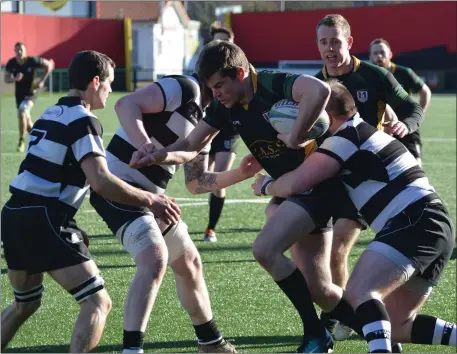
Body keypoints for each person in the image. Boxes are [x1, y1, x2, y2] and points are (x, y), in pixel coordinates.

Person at [130, 40, 361, 353]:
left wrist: (295, 136)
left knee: (265, 249)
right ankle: (380, 328)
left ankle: (317, 334)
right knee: (319, 288)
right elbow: (192, 144)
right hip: (295, 191)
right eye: (212, 89)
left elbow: (318, 91)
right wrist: (158, 154)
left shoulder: (271, 83)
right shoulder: (224, 107)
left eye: (220, 86)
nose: (217, 94)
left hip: (319, 185)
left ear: (240, 73)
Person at [252, 79, 456, 353]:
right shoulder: (357, 133)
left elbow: (295, 184)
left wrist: (266, 185)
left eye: (304, 111)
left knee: (360, 292)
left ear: (323, 115)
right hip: (431, 224)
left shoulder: (346, 138)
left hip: (415, 219)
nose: (301, 119)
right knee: (396, 325)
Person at [0, 50, 180, 353]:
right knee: (98, 302)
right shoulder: (84, 120)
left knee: (24, 304)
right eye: (109, 83)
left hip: (14, 214)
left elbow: (50, 174)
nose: (110, 90)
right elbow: (101, 181)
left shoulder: (49, 113)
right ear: (96, 82)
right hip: (44, 219)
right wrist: (151, 199)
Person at [91, 73, 241, 353]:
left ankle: (210, 343)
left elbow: (196, 181)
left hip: (150, 198)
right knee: (155, 260)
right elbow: (126, 105)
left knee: (189, 262)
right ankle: (132, 349)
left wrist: (240, 173)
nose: (238, 94)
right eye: (233, 83)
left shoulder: (209, 118)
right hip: (118, 189)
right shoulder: (185, 87)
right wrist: (145, 144)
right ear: (215, 79)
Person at [313, 14, 424, 341]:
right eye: (323, 42)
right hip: (328, 177)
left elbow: (412, 108)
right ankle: (346, 313)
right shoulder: (313, 84)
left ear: (348, 42)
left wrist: (407, 126)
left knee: (337, 252)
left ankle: (334, 321)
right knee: (319, 258)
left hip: (367, 179)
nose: (329, 48)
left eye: (335, 41)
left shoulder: (374, 76)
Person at [203, 22, 240, 242]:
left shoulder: (239, 67)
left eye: (225, 40)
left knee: (219, 179)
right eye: (217, 40)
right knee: (202, 177)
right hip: (209, 125)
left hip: (230, 130)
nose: (222, 44)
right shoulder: (205, 67)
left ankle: (210, 228)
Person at [369, 38, 432, 167]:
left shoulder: (403, 72)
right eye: (375, 53)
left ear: (390, 54)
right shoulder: (368, 75)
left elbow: (425, 91)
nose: (379, 56)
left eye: (382, 52)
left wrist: (417, 115)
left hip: (404, 125)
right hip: (381, 127)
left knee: (415, 164)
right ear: (370, 56)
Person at [4, 42, 54, 152]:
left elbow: (49, 65)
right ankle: (40, 140)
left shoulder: (32, 61)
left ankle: (21, 141)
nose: (19, 52)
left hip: (31, 93)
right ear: (14, 51)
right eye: (17, 50)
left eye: (21, 50)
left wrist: (42, 80)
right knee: (25, 119)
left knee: (22, 111)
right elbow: (6, 79)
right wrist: (14, 79)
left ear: (25, 51)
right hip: (19, 95)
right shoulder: (12, 63)